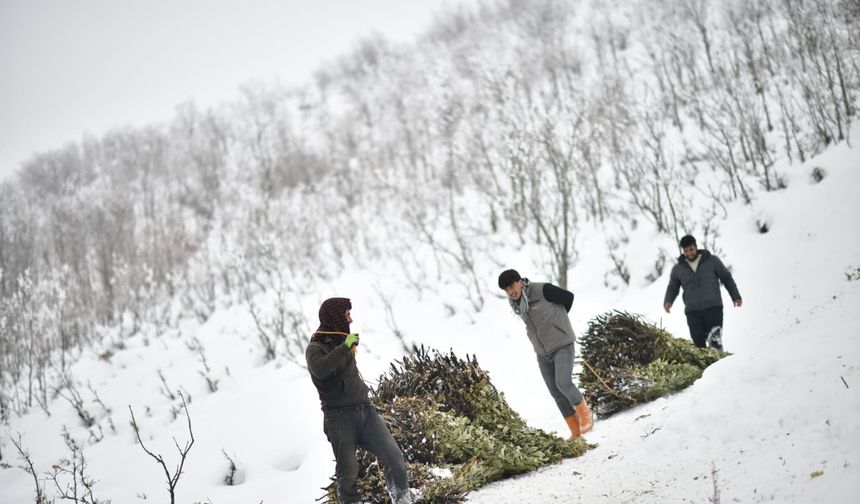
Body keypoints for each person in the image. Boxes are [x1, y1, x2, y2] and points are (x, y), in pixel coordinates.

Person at [305, 297, 414, 504]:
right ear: (335, 317)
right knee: (348, 473)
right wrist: (345, 347)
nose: (350, 320)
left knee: (394, 457)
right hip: (339, 418)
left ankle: (403, 500)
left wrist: (345, 346)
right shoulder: (315, 348)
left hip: (366, 412)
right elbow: (320, 370)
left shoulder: (343, 344)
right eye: (347, 315)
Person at [497, 269, 593, 438]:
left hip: (562, 344)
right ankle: (575, 429)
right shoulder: (517, 304)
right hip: (542, 352)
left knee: (563, 383)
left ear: (520, 282)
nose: (510, 292)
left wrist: (558, 322)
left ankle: (585, 414)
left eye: (512, 286)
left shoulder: (542, 290)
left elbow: (568, 298)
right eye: (506, 289)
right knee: (555, 392)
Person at [663, 235, 743, 350]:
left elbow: (726, 277)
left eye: (691, 249)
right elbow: (673, 287)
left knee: (715, 340)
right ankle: (708, 361)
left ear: (696, 247)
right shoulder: (678, 269)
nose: (689, 253)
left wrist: (735, 296)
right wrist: (668, 301)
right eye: (686, 251)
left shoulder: (712, 261)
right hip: (692, 312)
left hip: (713, 307)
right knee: (699, 346)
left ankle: (719, 359)